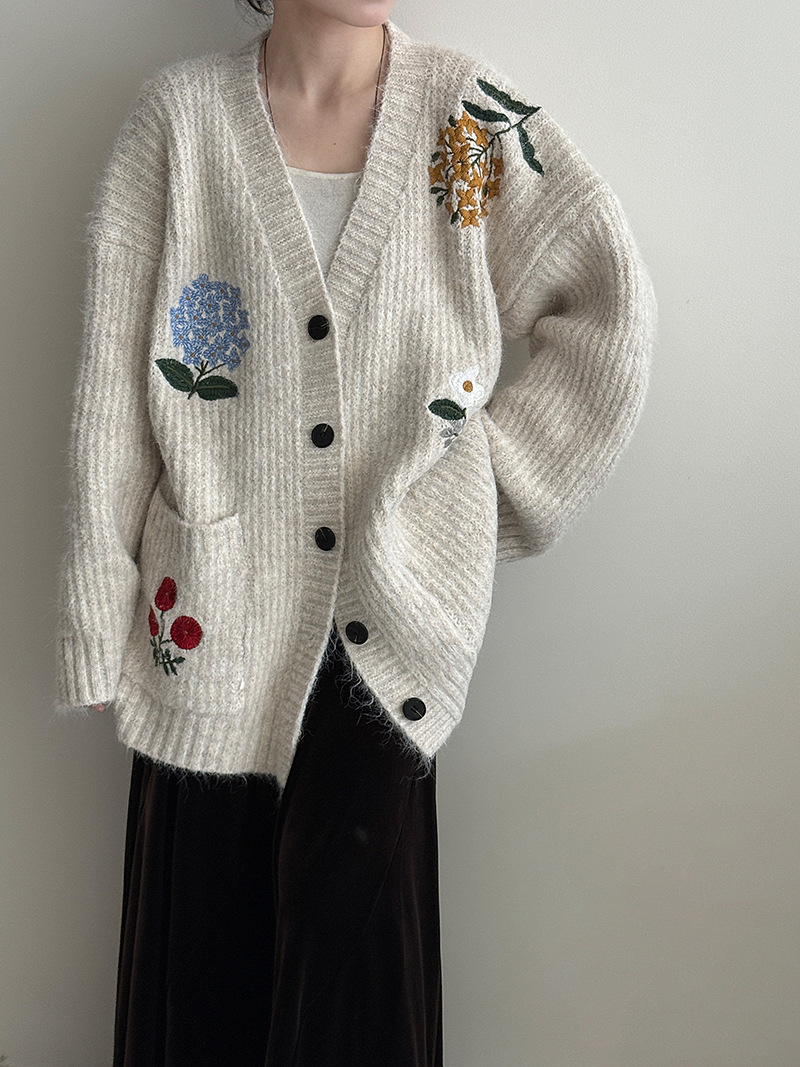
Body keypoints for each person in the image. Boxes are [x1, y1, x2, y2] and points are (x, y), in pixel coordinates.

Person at [54, 0, 657, 1063]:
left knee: (355, 1016)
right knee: (200, 999)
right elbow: (111, 393)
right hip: (206, 627)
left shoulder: (466, 122)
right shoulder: (179, 124)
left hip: (386, 645)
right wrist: (96, 616)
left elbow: (608, 310)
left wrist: (476, 500)